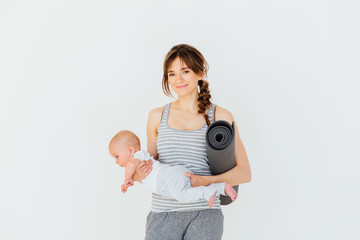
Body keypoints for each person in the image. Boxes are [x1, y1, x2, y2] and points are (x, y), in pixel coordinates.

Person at [135, 44, 251, 240]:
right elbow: (149, 169)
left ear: (200, 72)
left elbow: (244, 173)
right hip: (163, 214)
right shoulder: (156, 116)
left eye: (185, 71)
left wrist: (206, 181)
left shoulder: (221, 116)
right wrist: (136, 174)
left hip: (205, 214)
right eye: (171, 74)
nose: (178, 79)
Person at [108, 130, 238, 208]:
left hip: (166, 179)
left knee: (182, 195)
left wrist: (126, 180)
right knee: (193, 186)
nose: (116, 161)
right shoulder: (143, 156)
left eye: (117, 156)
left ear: (130, 150)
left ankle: (207, 193)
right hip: (175, 172)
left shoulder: (135, 158)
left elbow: (130, 166)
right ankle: (222, 187)